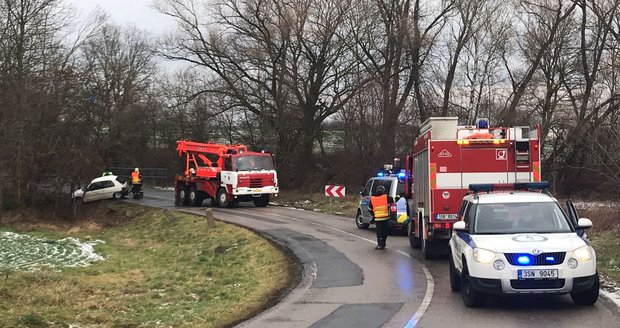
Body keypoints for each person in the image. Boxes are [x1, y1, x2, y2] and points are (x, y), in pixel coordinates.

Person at [368, 185, 391, 250]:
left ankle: (380, 245)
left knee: (379, 232)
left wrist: (373, 214)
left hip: (378, 219)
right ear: (383, 191)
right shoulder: (386, 197)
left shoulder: (373, 198)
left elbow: (369, 209)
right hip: (386, 218)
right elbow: (393, 201)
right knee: (385, 232)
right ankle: (383, 243)